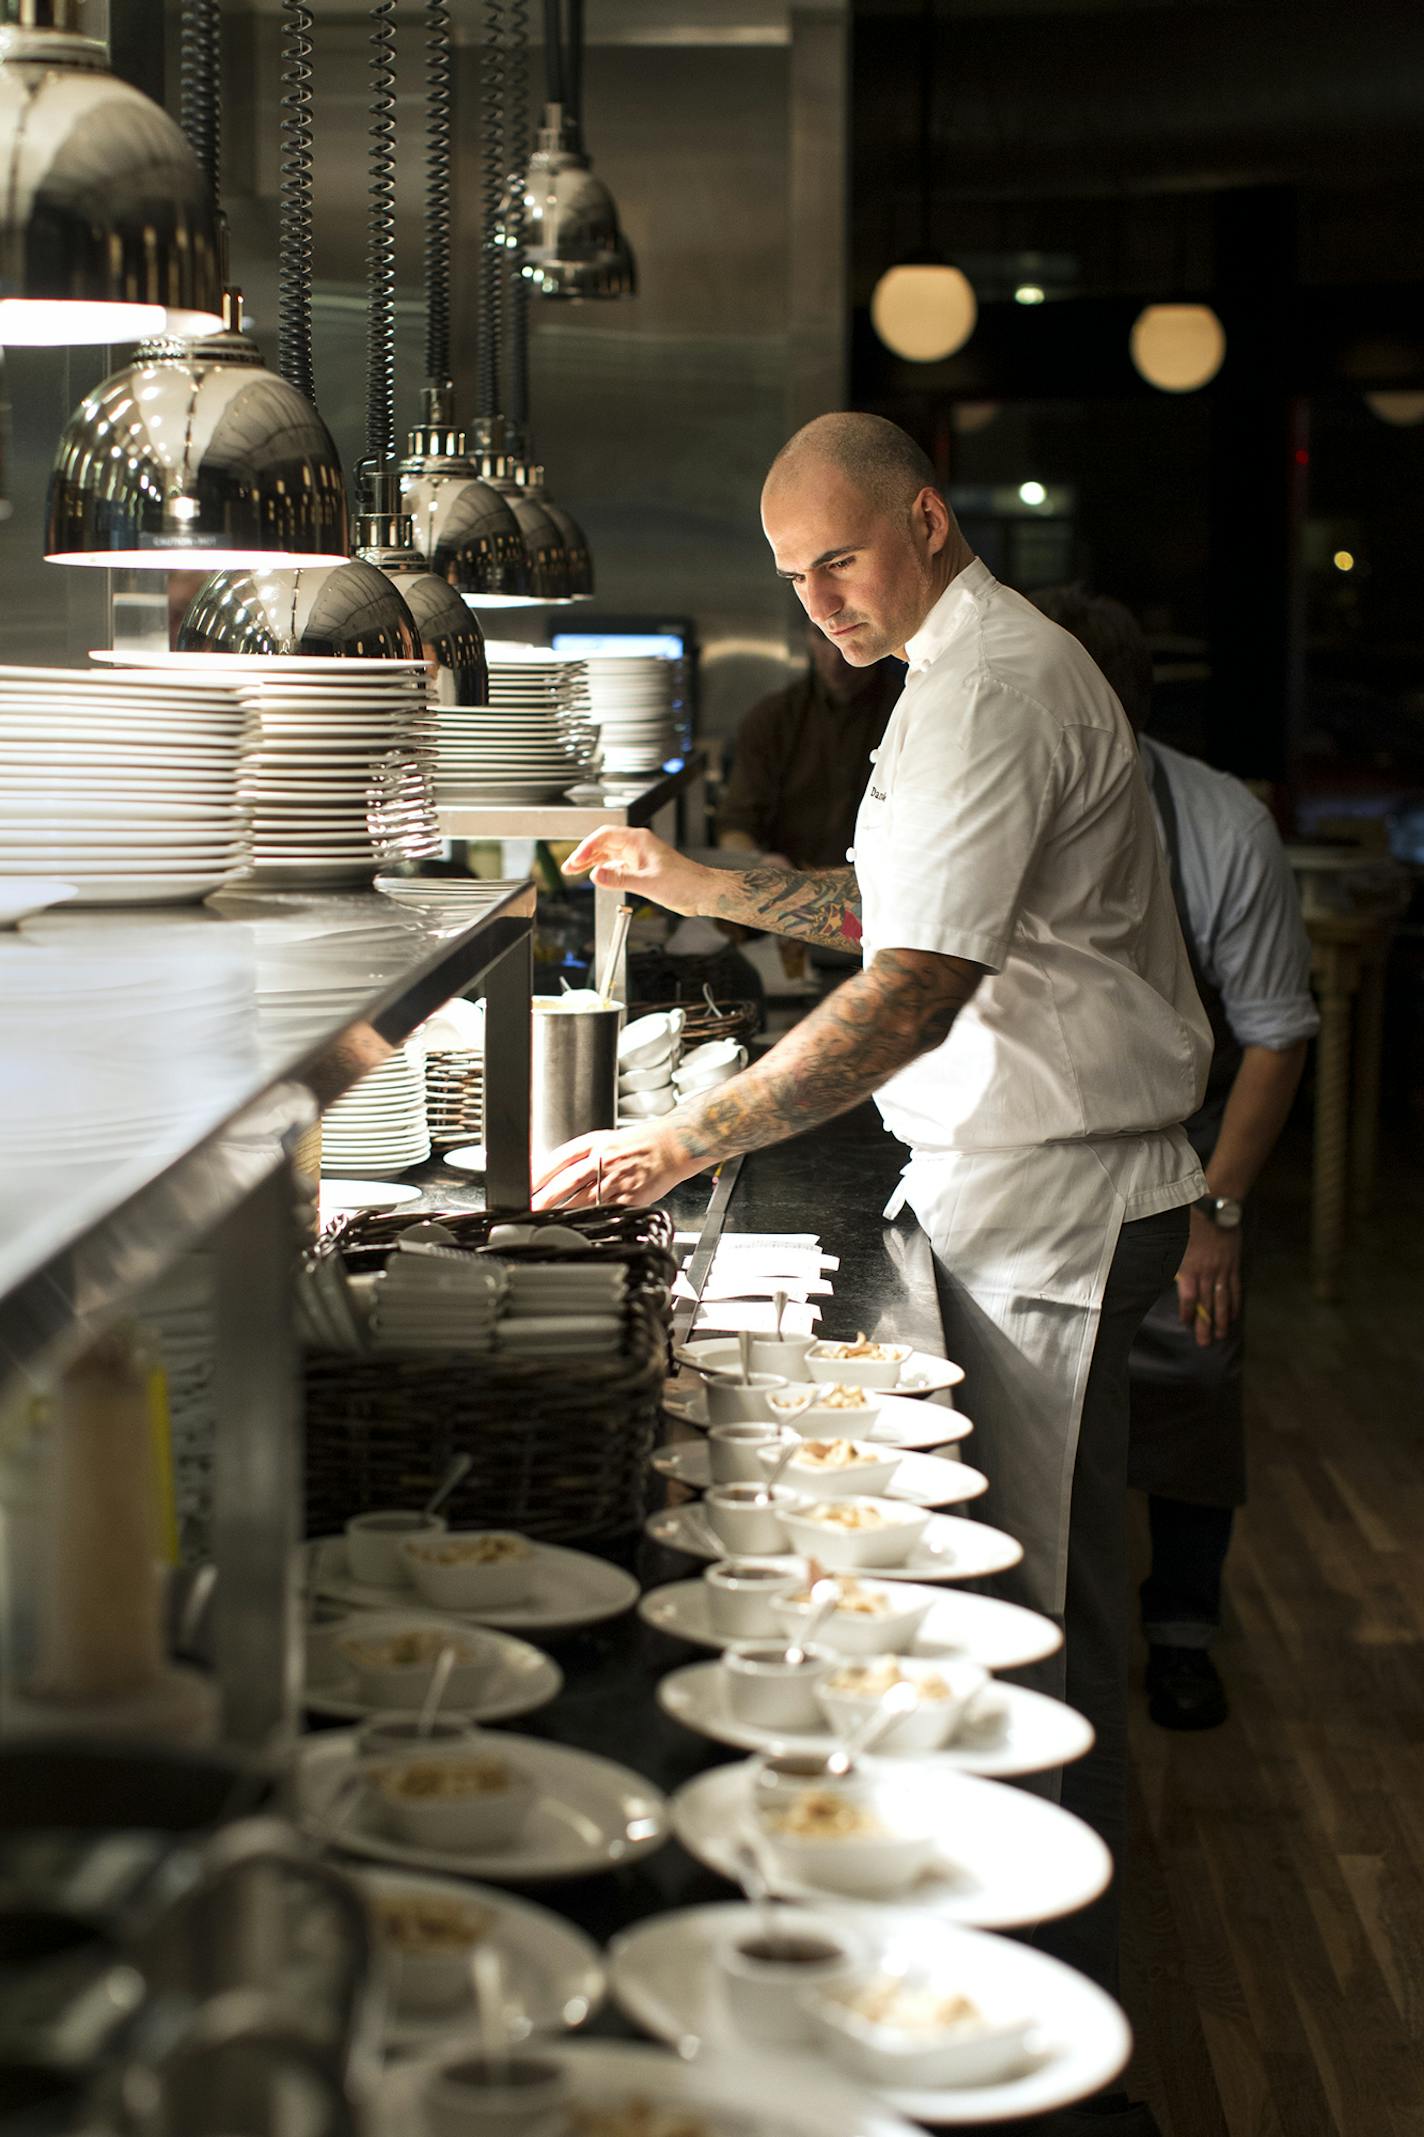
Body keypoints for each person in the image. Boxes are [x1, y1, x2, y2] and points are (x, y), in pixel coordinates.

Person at [534, 412, 1209, 2085]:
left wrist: (679, 1138)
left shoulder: (986, 682)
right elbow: (884, 904)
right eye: (789, 576)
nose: (817, 599)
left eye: (836, 558)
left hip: (1054, 1196)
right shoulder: (956, 666)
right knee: (1028, 1620)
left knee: (1030, 1636)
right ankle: (1004, 1986)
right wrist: (697, 878)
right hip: (1015, 1179)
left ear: (921, 518)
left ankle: (1040, 2035)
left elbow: (913, 987)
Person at [1034, 586, 1318, 1731]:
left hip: (1184, 1144)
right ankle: (1059, 1635)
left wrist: (1218, 1211)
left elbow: (1274, 1032)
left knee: (1194, 1373)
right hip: (1047, 1134)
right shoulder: (1020, 796)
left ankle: (1181, 1625)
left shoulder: (1218, 828)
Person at [716, 616, 902, 870]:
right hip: (792, 883)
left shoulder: (906, 711)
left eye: (850, 633)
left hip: (888, 884)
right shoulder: (772, 718)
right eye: (823, 636)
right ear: (808, 638)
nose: (836, 656)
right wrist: (758, 864)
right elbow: (736, 824)